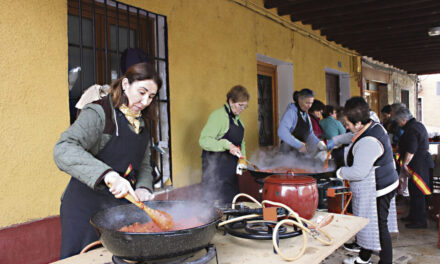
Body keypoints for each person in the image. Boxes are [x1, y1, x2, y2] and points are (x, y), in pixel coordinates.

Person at [54, 62, 162, 259]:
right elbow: (64, 148)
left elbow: (145, 163)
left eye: (151, 96)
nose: (146, 101)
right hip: (84, 208)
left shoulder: (142, 123)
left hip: (117, 210)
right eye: (142, 92)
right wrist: (109, 175)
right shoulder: (98, 113)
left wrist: (144, 187)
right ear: (126, 84)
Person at [336, 97, 398, 264]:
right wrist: (333, 142)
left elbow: (358, 172)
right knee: (368, 223)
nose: (346, 126)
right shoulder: (372, 124)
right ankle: (364, 258)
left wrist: (339, 172)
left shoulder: (370, 141)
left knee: (380, 226)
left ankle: (386, 262)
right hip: (383, 180)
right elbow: (351, 136)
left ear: (358, 123)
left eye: (348, 123)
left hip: (380, 187)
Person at [199, 85, 249, 204]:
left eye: (245, 106)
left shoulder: (238, 120)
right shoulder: (219, 116)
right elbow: (204, 140)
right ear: (231, 101)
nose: (242, 109)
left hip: (230, 171)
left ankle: (230, 222)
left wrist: (243, 159)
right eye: (240, 105)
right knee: (214, 206)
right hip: (215, 170)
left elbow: (241, 142)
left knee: (231, 202)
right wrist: (227, 145)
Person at [395, 107, 434, 229]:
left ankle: (420, 220)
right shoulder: (415, 126)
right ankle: (413, 215)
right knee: (413, 191)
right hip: (418, 164)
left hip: (418, 165)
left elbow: (411, 149)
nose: (398, 124)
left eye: (398, 121)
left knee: (418, 193)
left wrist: (405, 164)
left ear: (403, 119)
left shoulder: (412, 128)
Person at [278, 88, 327, 155]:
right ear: (300, 100)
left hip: (300, 153)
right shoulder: (291, 112)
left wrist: (318, 143)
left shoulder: (306, 116)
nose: (309, 106)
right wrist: (299, 145)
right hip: (288, 153)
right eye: (307, 103)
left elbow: (309, 134)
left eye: (311, 103)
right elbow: (282, 132)